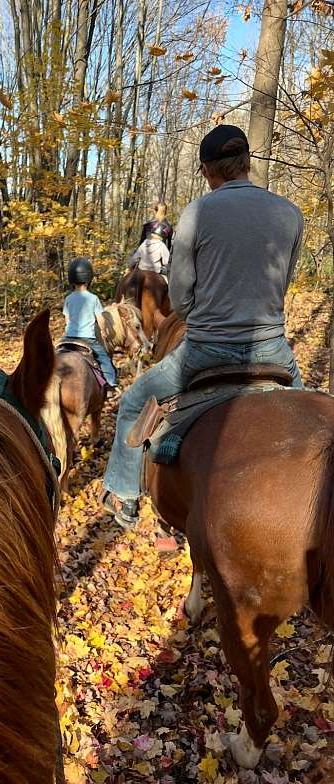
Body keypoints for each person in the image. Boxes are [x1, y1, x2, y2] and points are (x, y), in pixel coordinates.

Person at [101, 124, 304, 528]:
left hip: (205, 351)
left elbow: (180, 297)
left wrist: (205, 318)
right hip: (272, 349)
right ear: (246, 163)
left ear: (209, 170)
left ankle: (124, 494)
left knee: (132, 403)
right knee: (312, 417)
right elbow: (284, 282)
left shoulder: (197, 212)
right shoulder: (290, 213)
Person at [63, 257, 118, 390]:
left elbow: (67, 319)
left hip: (69, 338)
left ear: (71, 279)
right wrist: (104, 332)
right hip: (88, 339)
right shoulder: (93, 299)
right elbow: (101, 319)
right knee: (105, 360)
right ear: (89, 279)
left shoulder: (68, 298)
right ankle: (111, 383)